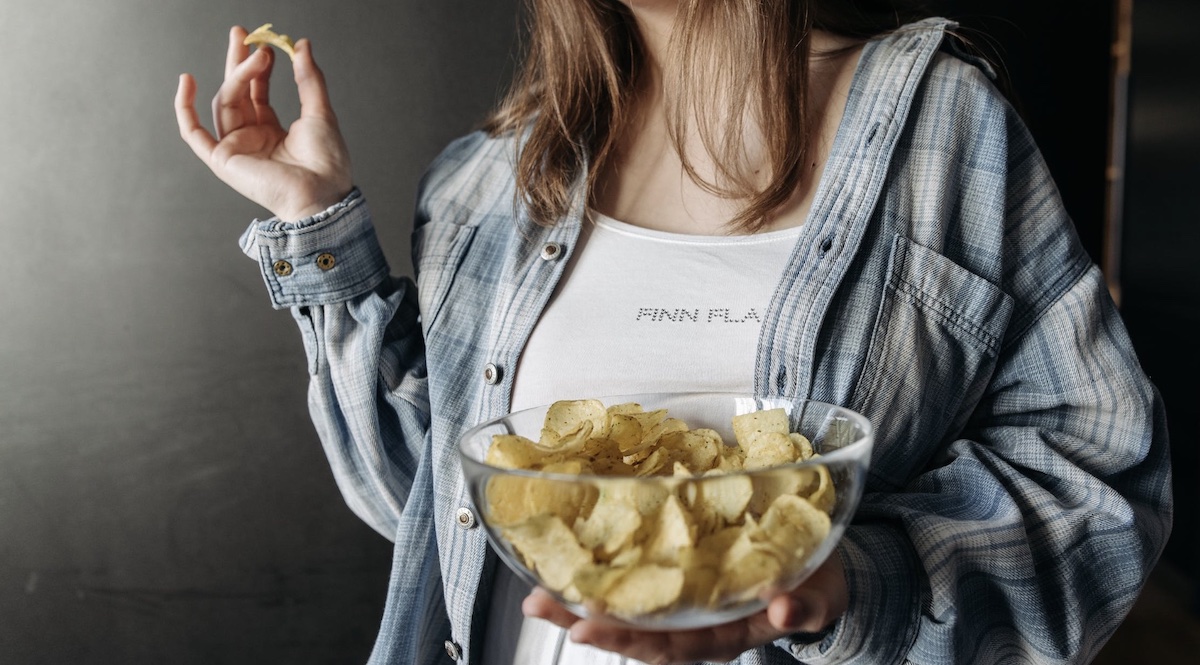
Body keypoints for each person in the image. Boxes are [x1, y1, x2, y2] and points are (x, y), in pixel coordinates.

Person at [174, 1, 1173, 663]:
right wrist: (320, 224)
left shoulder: (944, 130)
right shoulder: (491, 176)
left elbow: (1098, 483)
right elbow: (428, 506)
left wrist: (850, 582)